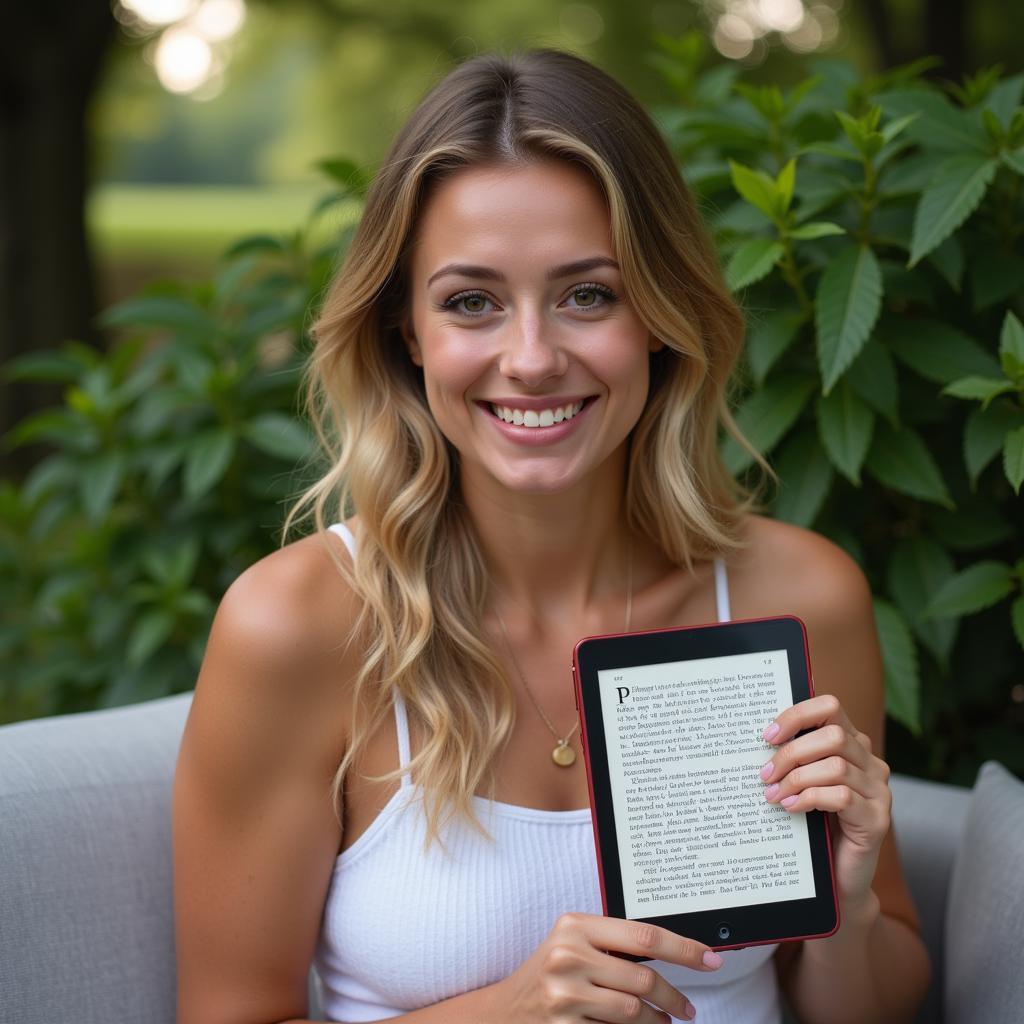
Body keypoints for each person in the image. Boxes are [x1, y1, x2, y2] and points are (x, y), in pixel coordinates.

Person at [172, 47, 931, 1024]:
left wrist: (851, 898)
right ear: (406, 328)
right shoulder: (298, 628)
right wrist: (507, 1012)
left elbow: (866, 1008)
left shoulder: (800, 596)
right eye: (471, 301)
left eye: (588, 293)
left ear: (659, 315)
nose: (531, 359)